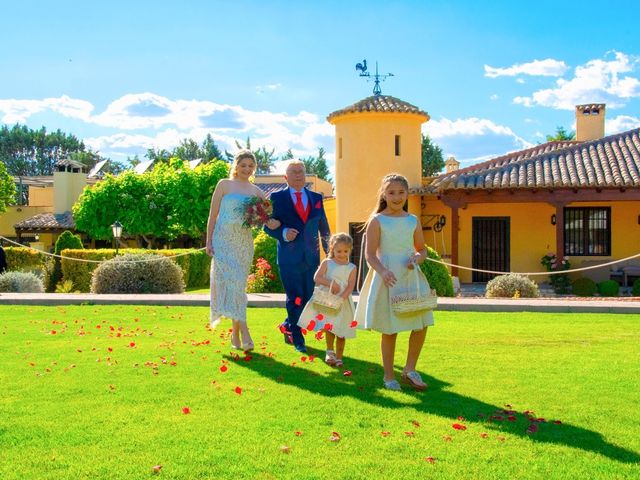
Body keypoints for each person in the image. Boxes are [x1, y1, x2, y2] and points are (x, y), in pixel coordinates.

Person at [354, 173, 434, 391]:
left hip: (410, 276)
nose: (397, 197)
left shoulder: (413, 220)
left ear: (407, 194)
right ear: (384, 194)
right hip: (388, 278)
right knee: (390, 329)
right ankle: (389, 376)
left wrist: (418, 257)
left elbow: (422, 249)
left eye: (401, 192)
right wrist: (383, 271)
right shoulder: (377, 221)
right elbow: (370, 254)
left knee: (422, 323)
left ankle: (410, 369)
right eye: (391, 192)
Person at [206, 150, 280, 351]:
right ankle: (244, 333)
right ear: (236, 166)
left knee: (238, 286)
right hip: (222, 240)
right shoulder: (224, 185)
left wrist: (275, 223)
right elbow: (213, 216)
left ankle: (235, 335)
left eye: (250, 166)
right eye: (243, 165)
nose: (246, 169)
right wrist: (209, 242)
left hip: (243, 243)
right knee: (231, 286)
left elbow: (267, 216)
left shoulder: (256, 191)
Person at [264, 160, 331, 353]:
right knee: (295, 298)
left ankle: (287, 324)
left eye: (301, 171)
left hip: (312, 258)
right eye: (293, 172)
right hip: (288, 258)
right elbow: (267, 225)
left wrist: (331, 252)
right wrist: (283, 233)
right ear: (285, 177)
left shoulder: (317, 197)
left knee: (309, 297)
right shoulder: (277, 197)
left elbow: (324, 227)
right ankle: (298, 337)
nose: (298, 175)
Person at [298, 233, 358, 367]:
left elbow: (350, 286)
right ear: (332, 248)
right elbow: (317, 278)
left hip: (343, 302)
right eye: (339, 251)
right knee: (330, 326)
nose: (342, 254)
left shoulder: (352, 267)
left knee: (341, 330)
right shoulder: (327, 263)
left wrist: (341, 299)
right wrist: (331, 283)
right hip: (328, 299)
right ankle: (329, 352)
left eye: (345, 251)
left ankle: (339, 357)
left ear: (350, 249)